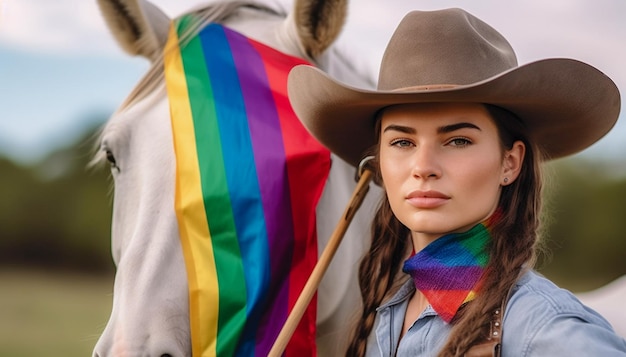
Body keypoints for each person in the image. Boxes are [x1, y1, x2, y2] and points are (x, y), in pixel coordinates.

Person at [286, 8, 626, 357]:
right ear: (380, 164)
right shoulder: (388, 313)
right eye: (402, 142)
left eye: (458, 140)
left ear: (510, 162)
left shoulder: (543, 329)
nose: (422, 167)